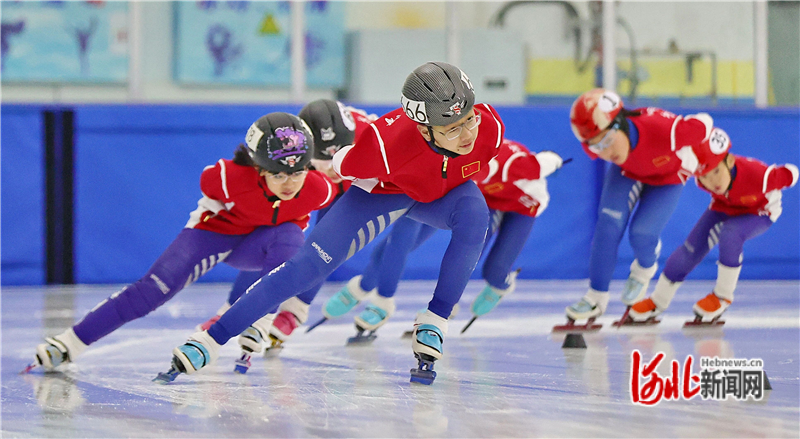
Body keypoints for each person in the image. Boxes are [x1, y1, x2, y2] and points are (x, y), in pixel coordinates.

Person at [162, 61, 506, 385]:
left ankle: (435, 319)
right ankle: (212, 337)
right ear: (424, 128)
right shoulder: (382, 146)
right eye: (452, 128)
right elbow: (338, 166)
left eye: (469, 119)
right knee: (306, 267)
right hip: (383, 191)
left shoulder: (489, 128)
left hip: (438, 194)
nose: (467, 134)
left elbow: (457, 163)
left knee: (476, 217)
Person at [29, 112, 337, 372]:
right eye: (279, 174)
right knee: (151, 291)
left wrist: (267, 314)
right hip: (215, 233)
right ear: (258, 167)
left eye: (297, 172)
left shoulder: (318, 189)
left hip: (261, 246)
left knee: (290, 236)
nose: (290, 183)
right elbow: (209, 185)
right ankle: (69, 342)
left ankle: (263, 318)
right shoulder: (225, 178)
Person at [319, 138, 563, 340]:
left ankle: (501, 284)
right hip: (487, 200)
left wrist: (553, 157)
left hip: (524, 203)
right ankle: (366, 288)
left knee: (494, 270)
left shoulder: (515, 165)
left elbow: (546, 162)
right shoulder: (450, 156)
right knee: (410, 241)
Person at [196, 100, 377, 359]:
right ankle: (231, 308)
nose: (331, 166)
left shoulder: (371, 137)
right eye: (323, 157)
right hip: (309, 177)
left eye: (340, 154)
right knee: (275, 235)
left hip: (357, 181)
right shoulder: (288, 145)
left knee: (330, 242)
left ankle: (295, 311)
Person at [560, 88, 725, 329]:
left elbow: (704, 122)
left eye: (606, 141)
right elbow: (608, 147)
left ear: (621, 123)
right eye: (596, 148)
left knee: (642, 234)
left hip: (668, 178)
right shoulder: (616, 153)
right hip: (629, 171)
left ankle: (643, 270)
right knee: (608, 226)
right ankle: (595, 297)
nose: (606, 152)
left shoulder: (665, 130)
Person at [625, 130, 798, 323]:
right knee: (689, 249)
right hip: (724, 207)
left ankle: (722, 296)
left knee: (731, 234)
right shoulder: (702, 178)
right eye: (704, 176)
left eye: (716, 171)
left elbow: (791, 173)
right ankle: (658, 301)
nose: (712, 182)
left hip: (759, 212)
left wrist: (788, 174)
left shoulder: (760, 175)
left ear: (730, 161)